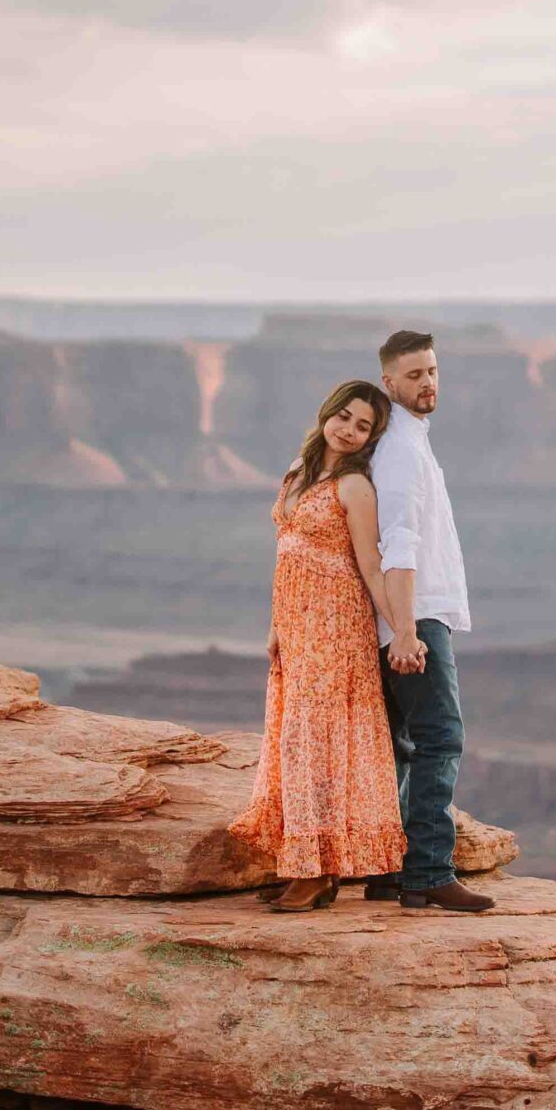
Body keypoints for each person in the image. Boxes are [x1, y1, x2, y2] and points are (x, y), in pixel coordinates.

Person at [231, 379, 407, 912]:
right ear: (327, 413)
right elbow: (286, 551)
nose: (350, 431)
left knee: (320, 741)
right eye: (345, 418)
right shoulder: (298, 470)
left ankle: (319, 871)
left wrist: (401, 629)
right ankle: (306, 865)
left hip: (337, 625)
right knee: (295, 737)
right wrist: (276, 625)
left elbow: (370, 565)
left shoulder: (355, 487)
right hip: (297, 623)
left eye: (364, 427)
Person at [371, 329, 495, 913]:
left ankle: (388, 871)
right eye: (414, 375)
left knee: (397, 744)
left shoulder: (409, 438)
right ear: (389, 382)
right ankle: (426, 872)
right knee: (440, 737)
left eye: (433, 372)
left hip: (412, 613)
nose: (428, 383)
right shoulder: (398, 447)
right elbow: (398, 539)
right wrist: (406, 630)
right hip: (414, 616)